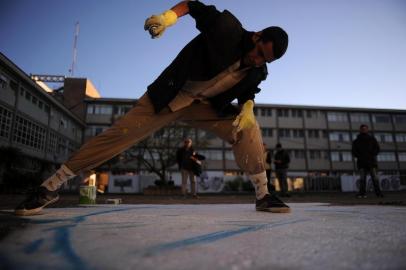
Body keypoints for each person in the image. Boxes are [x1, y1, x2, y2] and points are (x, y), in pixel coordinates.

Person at [15, 0, 290, 215]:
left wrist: (248, 107)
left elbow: (248, 93)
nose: (257, 61)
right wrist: (168, 18)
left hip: (204, 107)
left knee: (249, 128)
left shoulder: (258, 71)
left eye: (264, 60)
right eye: (258, 53)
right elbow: (192, 6)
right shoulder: (227, 29)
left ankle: (263, 195)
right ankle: (49, 187)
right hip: (171, 95)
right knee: (120, 134)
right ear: (256, 36)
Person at [352, 124, 383, 198]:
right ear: (360, 130)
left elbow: (377, 149)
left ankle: (378, 193)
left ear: (367, 130)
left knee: (375, 179)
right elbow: (354, 151)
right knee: (362, 179)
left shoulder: (372, 139)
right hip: (362, 163)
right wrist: (360, 156)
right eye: (362, 129)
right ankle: (362, 193)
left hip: (371, 162)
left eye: (365, 129)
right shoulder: (356, 141)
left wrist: (372, 154)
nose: (364, 130)